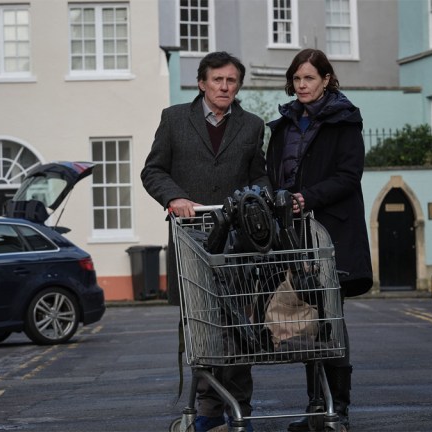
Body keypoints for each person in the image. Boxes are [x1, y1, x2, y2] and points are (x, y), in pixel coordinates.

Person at [141, 51, 270, 432]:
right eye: (218, 80)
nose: (225, 87)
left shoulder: (252, 125)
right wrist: (174, 198)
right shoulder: (174, 118)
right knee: (202, 327)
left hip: (238, 243)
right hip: (191, 240)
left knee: (239, 327)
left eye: (232, 81)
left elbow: (259, 176)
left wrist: (260, 198)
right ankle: (209, 410)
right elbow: (153, 170)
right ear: (202, 83)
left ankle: (239, 408)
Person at [264, 49, 374, 432]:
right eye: (296, 79)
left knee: (330, 318)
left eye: (309, 78)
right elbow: (273, 175)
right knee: (308, 319)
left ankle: (337, 409)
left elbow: (349, 175)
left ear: (326, 79)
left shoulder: (345, 121)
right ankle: (316, 406)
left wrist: (306, 198)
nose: (302, 86)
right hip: (294, 236)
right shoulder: (282, 126)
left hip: (333, 233)